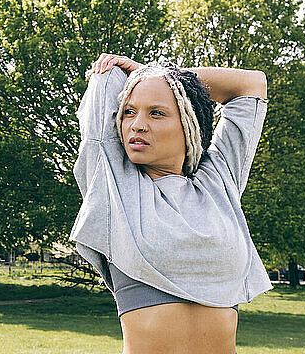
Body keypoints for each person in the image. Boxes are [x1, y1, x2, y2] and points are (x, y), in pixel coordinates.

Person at [69, 53, 273, 353]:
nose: (137, 125)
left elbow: (252, 85)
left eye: (156, 113)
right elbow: (106, 78)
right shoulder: (114, 185)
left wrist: (164, 76)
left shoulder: (218, 180)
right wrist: (154, 80)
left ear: (188, 123)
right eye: (128, 112)